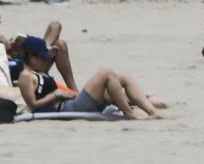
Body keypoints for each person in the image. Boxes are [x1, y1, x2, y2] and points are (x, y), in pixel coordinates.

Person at [16, 35, 167, 119]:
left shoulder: (39, 72)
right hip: (66, 108)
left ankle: (152, 112)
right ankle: (129, 113)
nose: (45, 61)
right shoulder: (26, 76)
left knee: (122, 77)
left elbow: (56, 33)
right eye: (42, 58)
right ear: (32, 57)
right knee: (106, 72)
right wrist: (56, 94)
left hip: (72, 102)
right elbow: (33, 104)